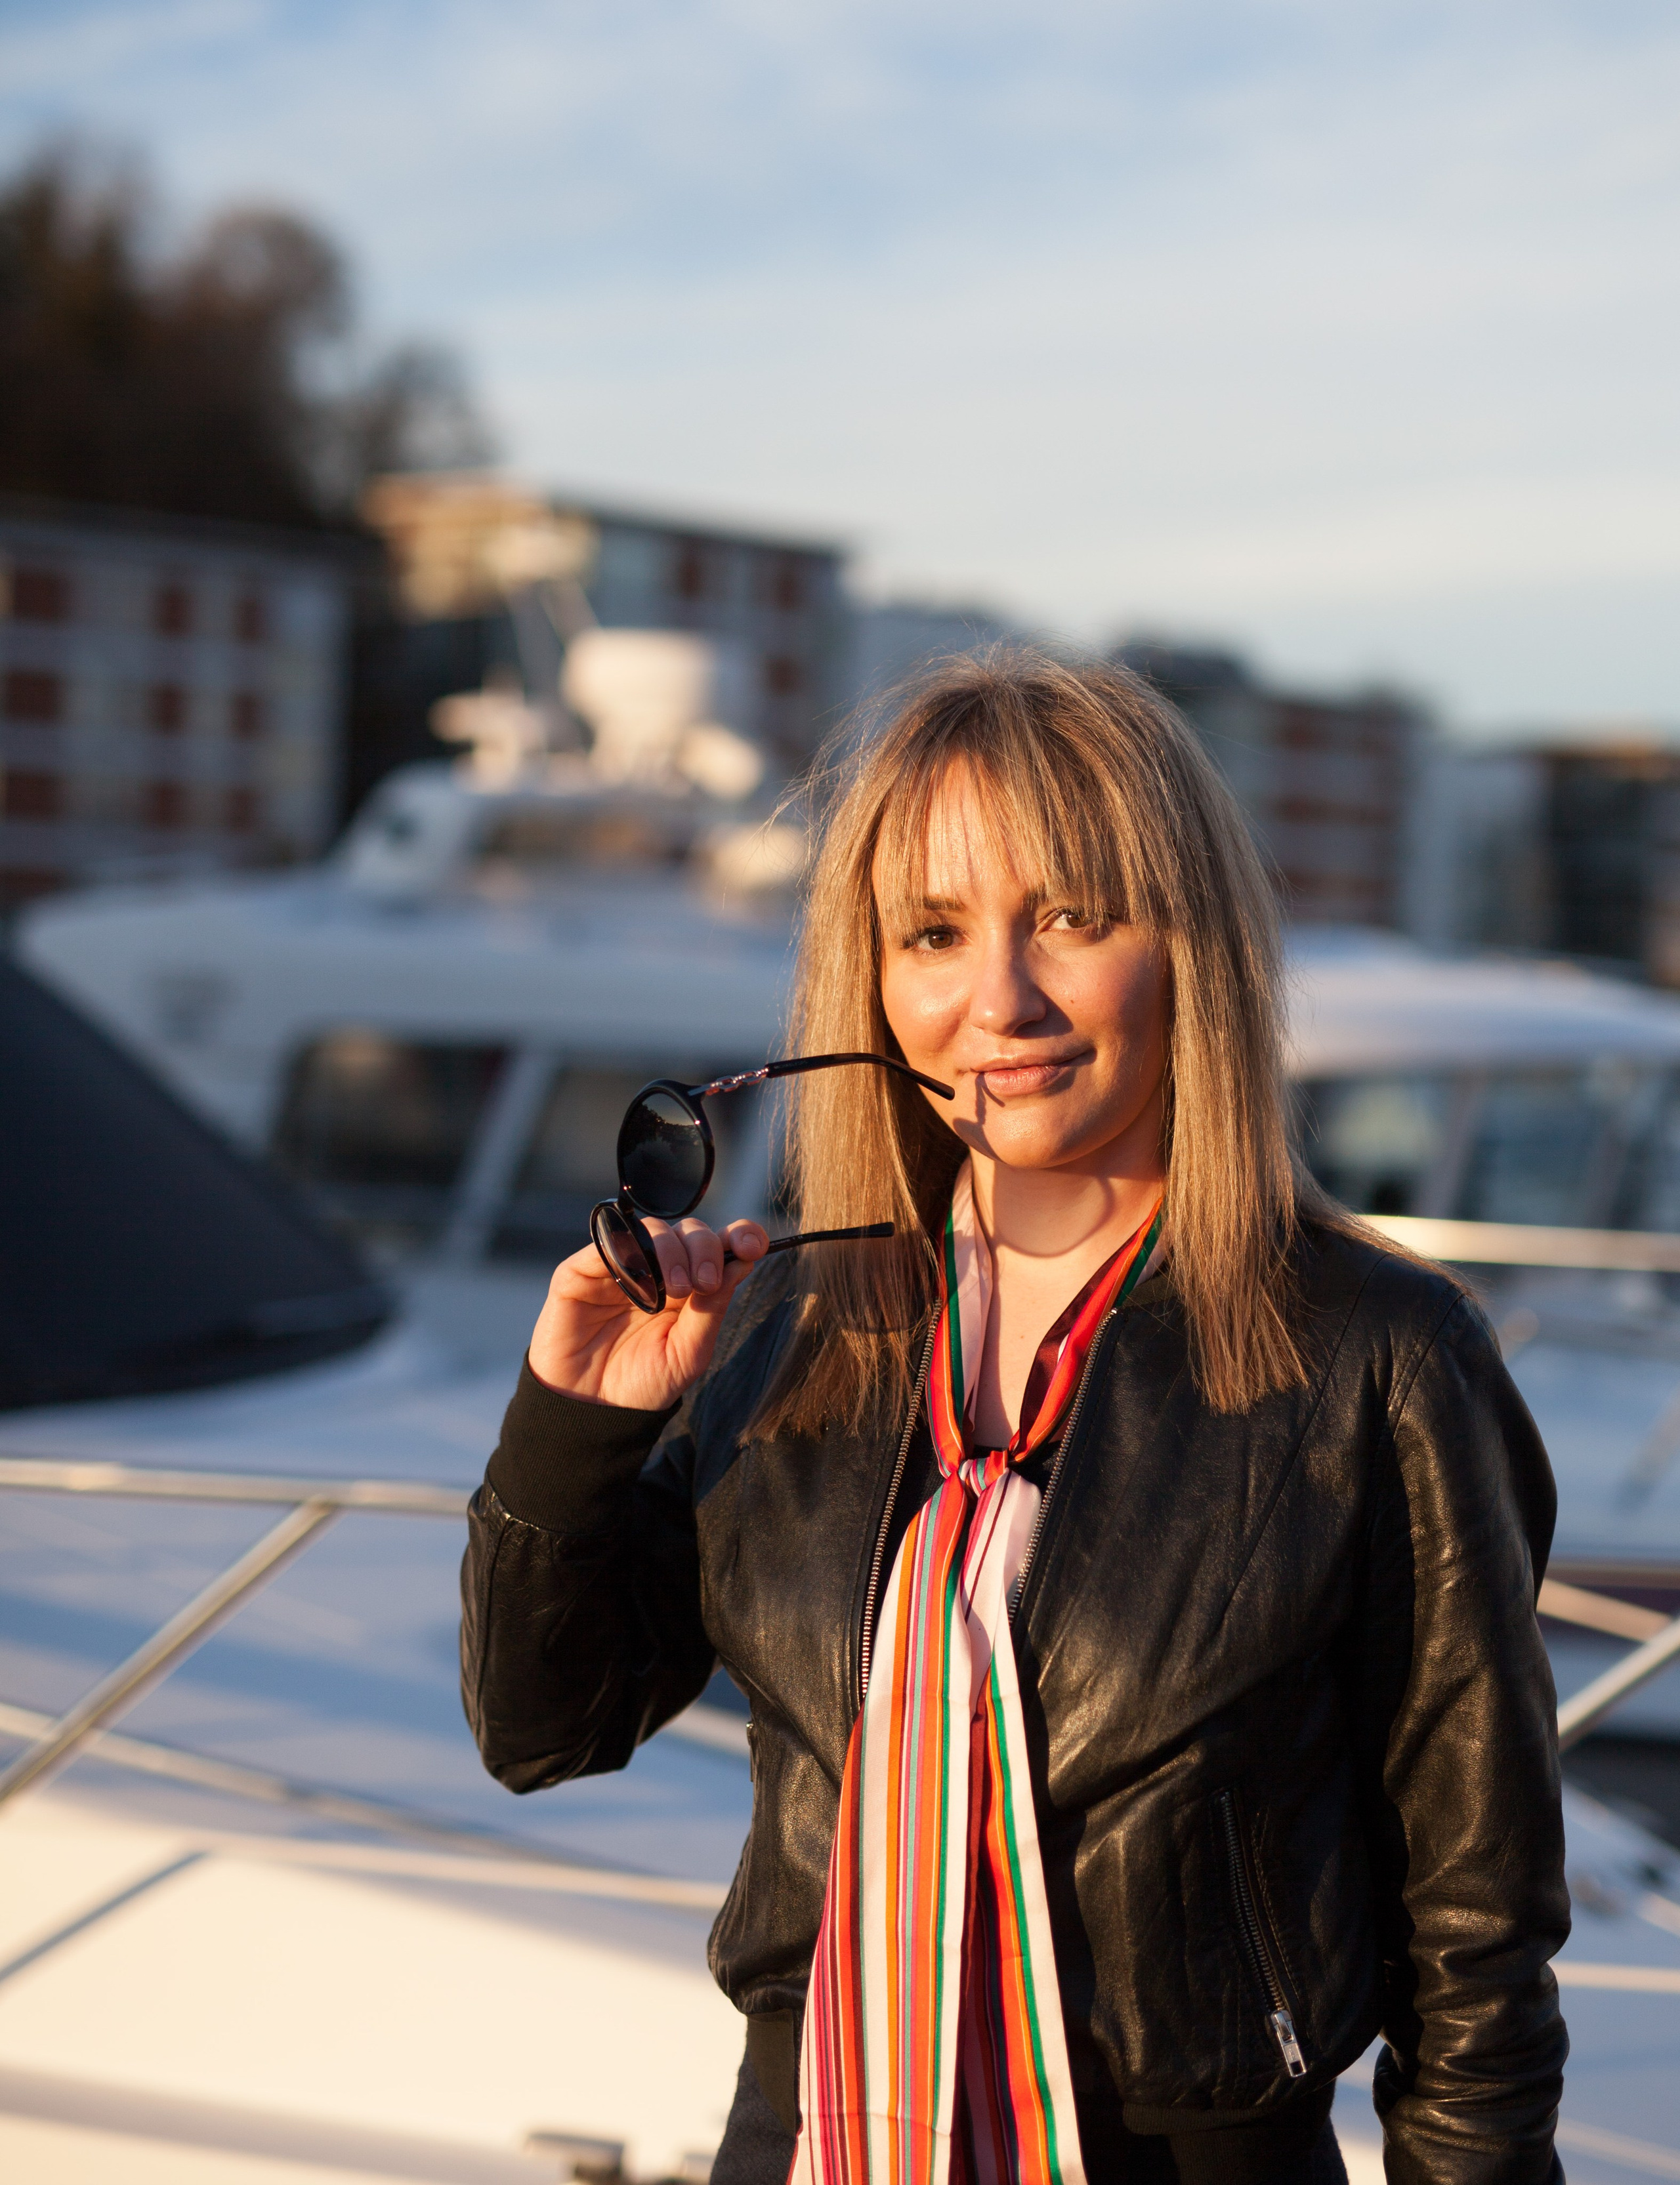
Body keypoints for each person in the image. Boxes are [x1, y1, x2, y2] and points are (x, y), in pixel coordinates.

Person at [461, 652, 1568, 2184]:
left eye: (1069, 917)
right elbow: (542, 1730)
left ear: (1191, 947)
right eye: (932, 932)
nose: (998, 1000)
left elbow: (1477, 1943)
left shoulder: (1377, 1357)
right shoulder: (788, 1325)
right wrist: (571, 1433)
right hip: (803, 2142)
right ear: (871, 983)